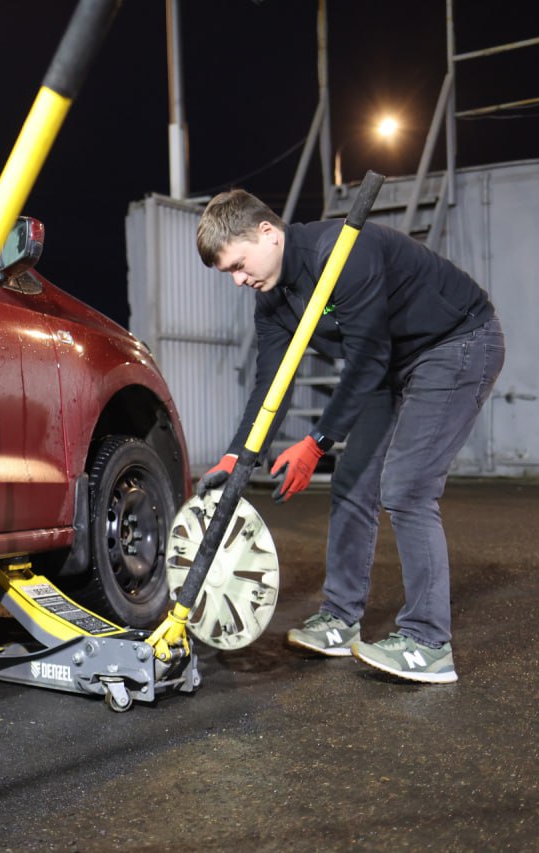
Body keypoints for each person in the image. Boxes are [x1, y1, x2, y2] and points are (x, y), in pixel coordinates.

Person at [193, 188, 504, 684]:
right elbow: (273, 381)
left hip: (456, 343)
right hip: (393, 362)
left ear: (267, 233)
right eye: (229, 272)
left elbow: (367, 360)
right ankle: (339, 620)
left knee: (406, 486)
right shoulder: (271, 297)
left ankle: (428, 643)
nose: (237, 280)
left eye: (238, 264)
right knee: (354, 481)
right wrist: (238, 456)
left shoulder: (340, 251)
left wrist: (317, 441)